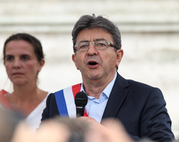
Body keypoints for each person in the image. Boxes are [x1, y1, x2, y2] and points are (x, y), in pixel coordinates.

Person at [41, 14, 175, 142]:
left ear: (118, 57)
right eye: (83, 46)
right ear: (75, 60)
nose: (91, 51)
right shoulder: (57, 102)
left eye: (101, 44)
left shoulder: (145, 97)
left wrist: (108, 136)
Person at [0, 33, 49, 130]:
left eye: (25, 58)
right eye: (10, 58)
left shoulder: (55, 105)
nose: (16, 65)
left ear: (40, 64)